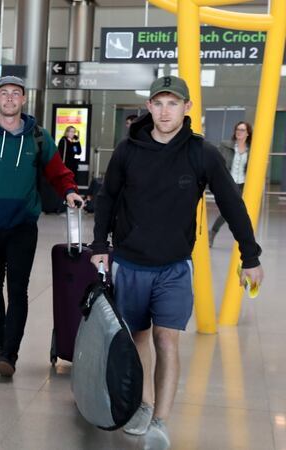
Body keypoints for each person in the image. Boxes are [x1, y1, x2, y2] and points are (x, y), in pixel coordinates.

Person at [90, 76, 264, 449]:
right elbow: (107, 198)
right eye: (159, 103)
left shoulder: (202, 153)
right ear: (149, 107)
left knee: (166, 339)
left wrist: (251, 255)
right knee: (137, 338)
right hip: (131, 263)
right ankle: (142, 404)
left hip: (174, 266)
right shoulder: (128, 150)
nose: (165, 110)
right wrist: (98, 244)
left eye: (173, 103)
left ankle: (161, 421)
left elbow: (233, 204)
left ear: (187, 108)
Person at [0, 76, 82, 377]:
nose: (10, 98)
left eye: (15, 94)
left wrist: (70, 191)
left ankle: (9, 354)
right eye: (4, 93)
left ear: (24, 99)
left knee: (18, 289)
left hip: (23, 225)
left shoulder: (38, 137)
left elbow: (57, 171)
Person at [209, 120, 252, 247]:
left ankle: (213, 233)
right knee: (229, 211)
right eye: (237, 129)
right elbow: (216, 160)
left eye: (242, 130)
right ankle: (213, 232)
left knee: (237, 212)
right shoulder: (226, 145)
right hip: (229, 183)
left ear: (248, 133)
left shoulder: (252, 149)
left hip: (243, 184)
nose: (239, 132)